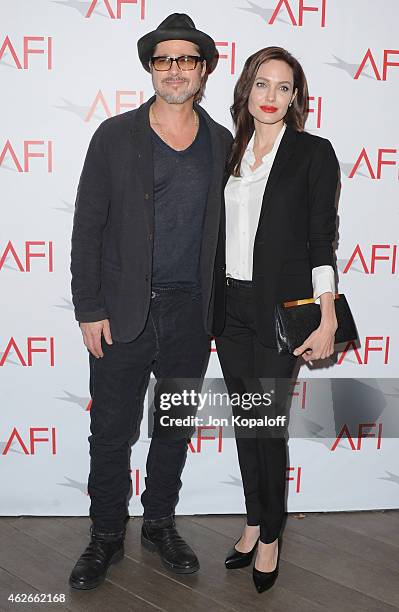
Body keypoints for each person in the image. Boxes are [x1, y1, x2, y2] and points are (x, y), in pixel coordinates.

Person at [69, 13, 232, 590]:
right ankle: (106, 535)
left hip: (191, 314)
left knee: (173, 428)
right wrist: (88, 306)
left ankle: (160, 521)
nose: (175, 70)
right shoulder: (115, 135)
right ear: (151, 68)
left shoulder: (221, 141)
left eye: (187, 59)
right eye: (165, 60)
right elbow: (89, 225)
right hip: (121, 314)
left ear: (204, 69)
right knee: (112, 432)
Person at [215, 46, 339, 593]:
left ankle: (272, 536)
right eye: (261, 84)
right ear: (247, 89)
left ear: (296, 97)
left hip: (279, 314)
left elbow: (321, 241)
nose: (270, 97)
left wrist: (327, 316)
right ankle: (252, 520)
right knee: (246, 423)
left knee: (267, 427)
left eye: (282, 87)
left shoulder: (314, 153)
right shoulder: (229, 149)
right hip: (230, 309)